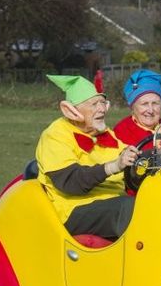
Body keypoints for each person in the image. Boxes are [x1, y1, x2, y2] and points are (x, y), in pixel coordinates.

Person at [35, 75, 139, 240]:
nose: (102, 109)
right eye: (94, 104)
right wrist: (112, 166)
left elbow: (129, 166)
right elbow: (70, 182)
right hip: (73, 209)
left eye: (103, 103)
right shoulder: (55, 135)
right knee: (130, 208)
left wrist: (150, 160)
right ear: (72, 111)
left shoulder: (106, 134)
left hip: (111, 202)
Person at [113, 69, 161, 150]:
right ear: (133, 107)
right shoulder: (122, 131)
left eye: (155, 103)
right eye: (144, 104)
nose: (150, 110)